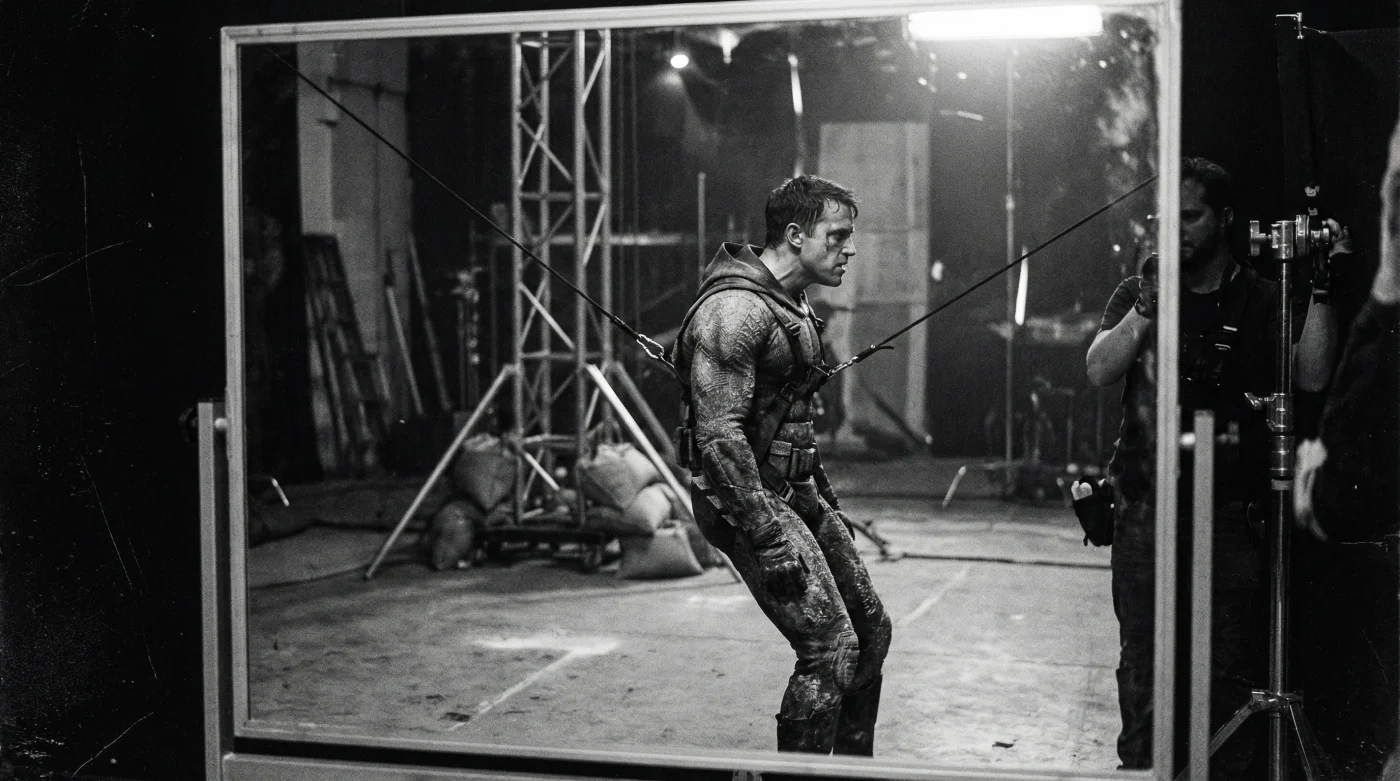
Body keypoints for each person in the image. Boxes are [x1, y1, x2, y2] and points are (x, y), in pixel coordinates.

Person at [1083, 156, 1339, 776]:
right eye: (1168, 217)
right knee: (1141, 662)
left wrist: (1322, 284)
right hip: (1144, 506)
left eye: (1191, 216)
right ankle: (1140, 771)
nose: (1178, 229)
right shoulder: (1139, 291)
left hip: (1226, 511)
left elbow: (1311, 374)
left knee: (1222, 669)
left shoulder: (1261, 297)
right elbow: (1099, 369)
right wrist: (1146, 307)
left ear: (1224, 219)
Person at [672, 175, 892, 755]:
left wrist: (828, 506)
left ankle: (853, 772)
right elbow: (719, 437)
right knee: (829, 650)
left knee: (871, 633)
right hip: (741, 499)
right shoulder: (734, 312)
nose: (850, 249)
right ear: (795, 235)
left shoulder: (790, 302)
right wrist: (769, 540)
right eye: (837, 236)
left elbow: (794, 421)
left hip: (792, 489)